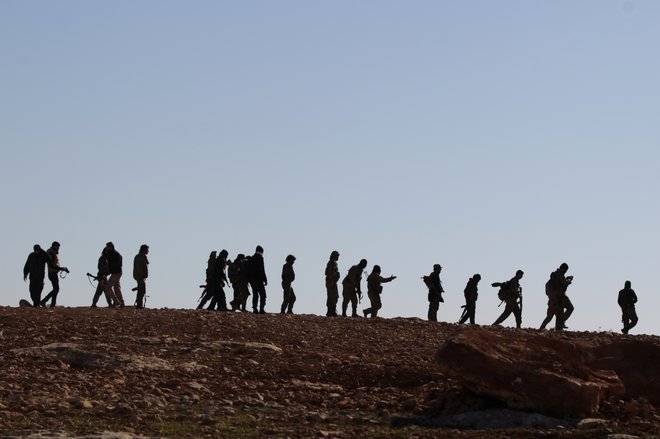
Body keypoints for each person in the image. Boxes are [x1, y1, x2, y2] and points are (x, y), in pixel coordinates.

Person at [540, 263, 573, 331]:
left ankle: (541, 328)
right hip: (560, 298)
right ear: (564, 269)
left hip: (552, 299)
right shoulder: (560, 275)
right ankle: (561, 323)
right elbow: (565, 283)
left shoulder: (553, 277)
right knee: (570, 308)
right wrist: (569, 280)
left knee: (550, 316)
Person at [40, 241, 70, 307]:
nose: (58, 248)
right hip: (52, 273)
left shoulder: (52, 253)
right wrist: (62, 269)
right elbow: (51, 265)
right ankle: (45, 301)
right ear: (54, 246)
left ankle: (52, 303)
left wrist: (61, 269)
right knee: (56, 289)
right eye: (58, 247)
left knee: (56, 289)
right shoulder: (51, 253)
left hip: (53, 273)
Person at [104, 242, 125, 308]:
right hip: (116, 273)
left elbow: (116, 265)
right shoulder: (110, 254)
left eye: (108, 247)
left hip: (116, 273)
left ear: (111, 247)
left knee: (107, 287)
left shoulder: (115, 254)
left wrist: (109, 272)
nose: (107, 248)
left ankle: (116, 301)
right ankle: (121, 303)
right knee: (116, 288)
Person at [248, 245, 267, 314]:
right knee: (263, 295)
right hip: (259, 279)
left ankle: (255, 308)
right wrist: (265, 279)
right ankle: (261, 309)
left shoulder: (251, 258)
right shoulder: (260, 258)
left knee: (255, 294)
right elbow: (262, 269)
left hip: (252, 280)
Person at [133, 244, 149, 309]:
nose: (148, 251)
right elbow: (139, 267)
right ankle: (139, 305)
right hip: (140, 276)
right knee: (141, 290)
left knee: (141, 290)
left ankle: (139, 304)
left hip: (139, 276)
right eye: (147, 250)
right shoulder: (141, 257)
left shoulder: (138, 256)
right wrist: (142, 276)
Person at [325, 251, 340, 317]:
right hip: (331, 282)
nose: (338, 258)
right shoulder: (331, 263)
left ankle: (332, 311)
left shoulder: (332, 263)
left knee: (335, 296)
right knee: (331, 296)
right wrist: (332, 281)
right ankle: (330, 311)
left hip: (333, 282)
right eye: (337, 256)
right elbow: (328, 273)